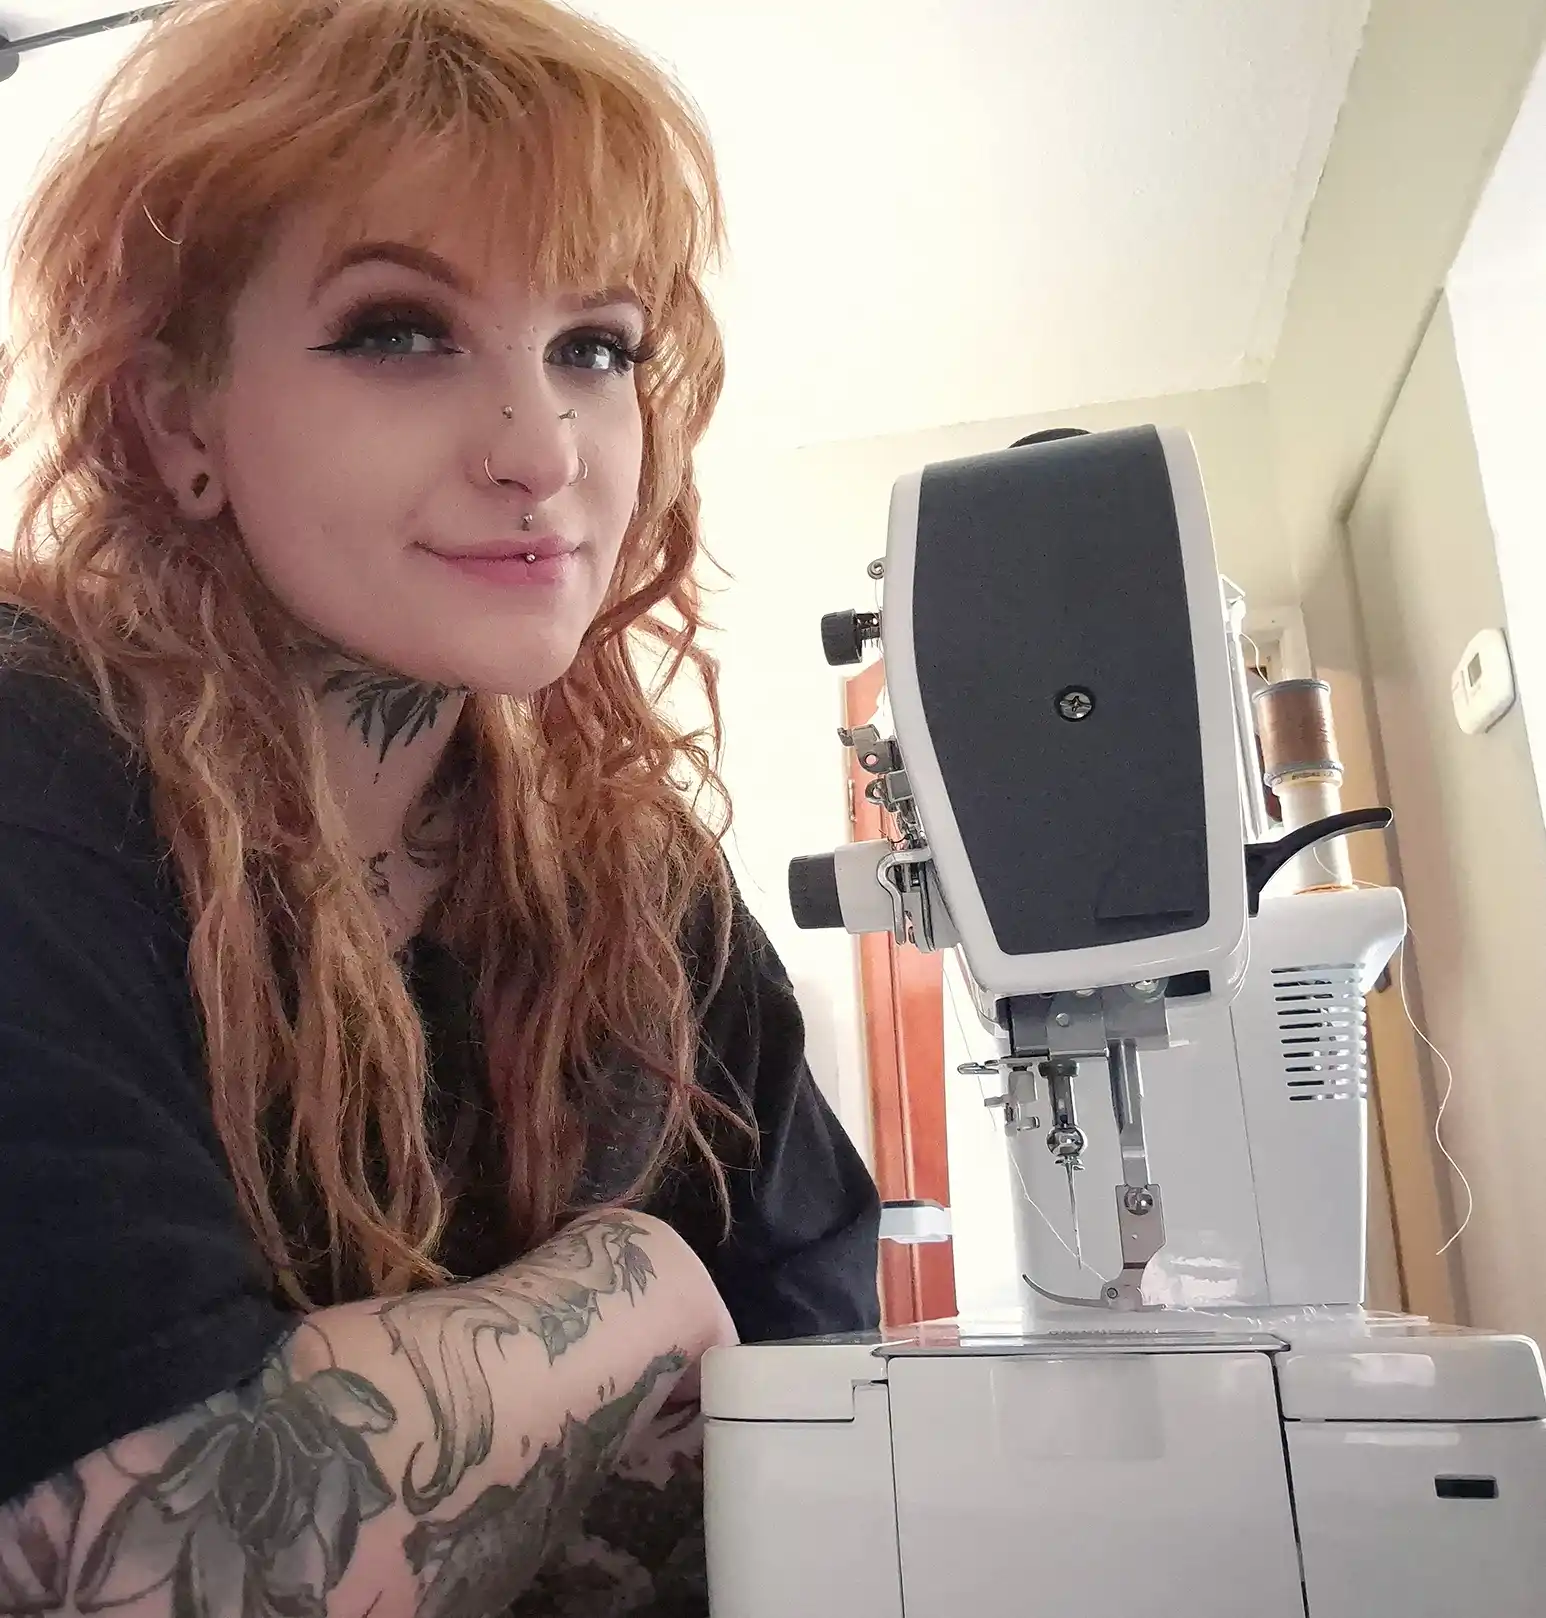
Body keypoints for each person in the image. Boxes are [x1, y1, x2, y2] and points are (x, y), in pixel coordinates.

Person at [0, 2, 881, 1614]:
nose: (539, 448)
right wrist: (636, 1286)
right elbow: (138, 1552)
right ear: (177, 419)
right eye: (400, 330)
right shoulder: (36, 764)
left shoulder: (648, 891)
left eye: (593, 347)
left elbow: (828, 1442)